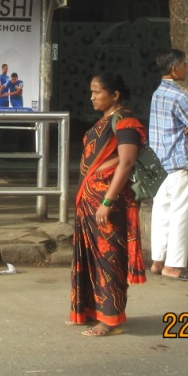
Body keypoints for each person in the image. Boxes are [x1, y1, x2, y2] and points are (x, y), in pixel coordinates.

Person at [69, 71, 147, 336]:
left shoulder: (125, 122)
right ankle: (91, 312)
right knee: (91, 259)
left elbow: (126, 163)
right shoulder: (103, 122)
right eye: (91, 92)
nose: (92, 97)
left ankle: (111, 321)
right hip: (89, 203)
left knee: (109, 260)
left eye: (97, 92)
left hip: (107, 205)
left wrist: (107, 201)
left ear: (114, 95)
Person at [149, 49, 188, 281]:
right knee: (181, 214)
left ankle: (157, 260)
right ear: (174, 69)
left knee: (161, 211)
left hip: (160, 164)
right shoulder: (180, 97)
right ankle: (173, 266)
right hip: (180, 162)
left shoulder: (157, 94)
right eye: (184, 65)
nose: (186, 69)